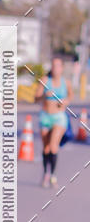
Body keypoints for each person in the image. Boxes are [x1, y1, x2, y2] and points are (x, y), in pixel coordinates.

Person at [34, 56, 72, 187]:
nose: (56, 68)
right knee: (46, 148)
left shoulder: (66, 82)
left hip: (59, 118)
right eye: (53, 65)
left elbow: (70, 96)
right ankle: (46, 174)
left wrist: (65, 102)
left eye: (58, 66)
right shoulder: (45, 80)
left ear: (62, 68)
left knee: (53, 146)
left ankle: (53, 176)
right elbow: (35, 98)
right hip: (45, 117)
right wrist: (44, 95)